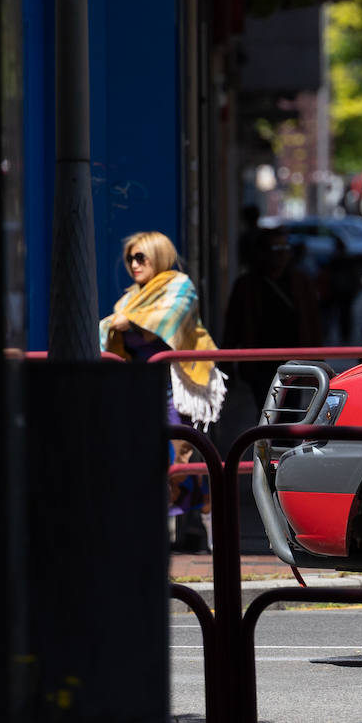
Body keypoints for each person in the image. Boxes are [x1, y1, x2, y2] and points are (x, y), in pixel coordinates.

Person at [99, 231, 227, 548]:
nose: (134, 264)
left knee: (181, 457)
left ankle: (204, 528)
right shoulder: (131, 297)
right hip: (139, 390)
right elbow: (108, 328)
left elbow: (165, 319)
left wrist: (125, 322)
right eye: (130, 258)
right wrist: (122, 322)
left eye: (141, 257)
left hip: (177, 387)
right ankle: (160, 534)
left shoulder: (179, 287)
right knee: (146, 457)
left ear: (159, 256)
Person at [222, 227, 323, 408]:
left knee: (292, 414)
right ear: (263, 252)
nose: (282, 254)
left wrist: (319, 362)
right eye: (276, 249)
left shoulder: (301, 282)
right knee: (266, 414)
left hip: (296, 363)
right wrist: (226, 365)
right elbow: (233, 326)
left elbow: (313, 323)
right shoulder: (246, 285)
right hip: (261, 364)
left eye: (286, 248)